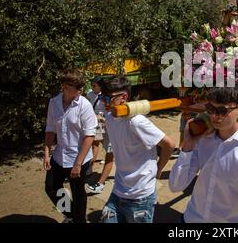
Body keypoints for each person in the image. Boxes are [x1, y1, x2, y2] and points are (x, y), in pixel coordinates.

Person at [169, 87, 238, 223]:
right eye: (210, 109)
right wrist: (188, 146)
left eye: (222, 111)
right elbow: (176, 186)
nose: (214, 116)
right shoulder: (202, 139)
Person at [100, 76, 175, 223]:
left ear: (124, 97)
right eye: (103, 97)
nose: (104, 101)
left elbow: (169, 144)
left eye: (108, 98)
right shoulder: (109, 117)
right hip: (118, 190)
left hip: (140, 197)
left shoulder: (136, 121)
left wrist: (158, 169)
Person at [44, 69, 97, 223]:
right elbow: (50, 128)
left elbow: (89, 136)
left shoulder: (84, 105)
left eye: (81, 88)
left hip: (79, 157)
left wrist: (78, 165)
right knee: (51, 188)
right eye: (77, 88)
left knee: (78, 193)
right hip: (59, 156)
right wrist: (47, 152)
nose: (81, 91)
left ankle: (79, 220)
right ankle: (71, 214)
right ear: (65, 87)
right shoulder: (54, 103)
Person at [85, 77, 115, 194]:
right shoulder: (89, 94)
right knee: (94, 144)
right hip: (96, 124)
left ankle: (101, 183)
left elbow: (111, 112)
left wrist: (102, 117)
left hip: (107, 125)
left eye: (94, 85)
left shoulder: (106, 97)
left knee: (110, 153)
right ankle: (89, 169)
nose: (92, 87)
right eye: (91, 85)